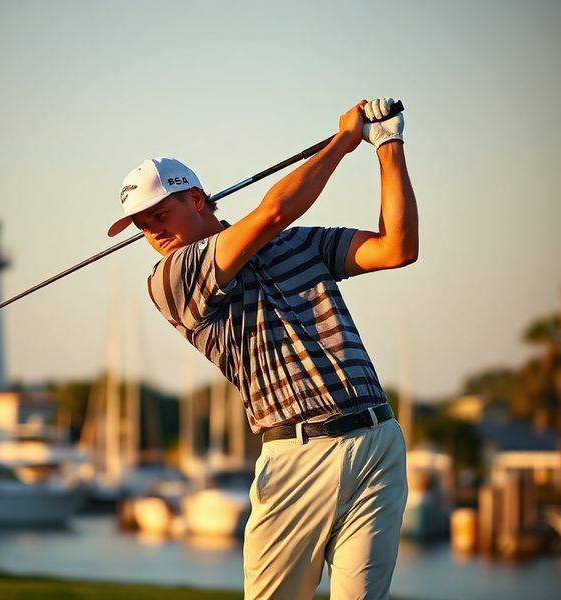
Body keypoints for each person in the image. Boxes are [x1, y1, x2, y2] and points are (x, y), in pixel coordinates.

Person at [108, 98, 417, 600]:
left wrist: (387, 145)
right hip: (295, 457)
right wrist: (344, 141)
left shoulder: (297, 245)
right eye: (142, 226)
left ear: (198, 200)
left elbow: (396, 248)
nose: (154, 233)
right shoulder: (171, 279)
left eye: (160, 214)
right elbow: (272, 211)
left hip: (377, 441)